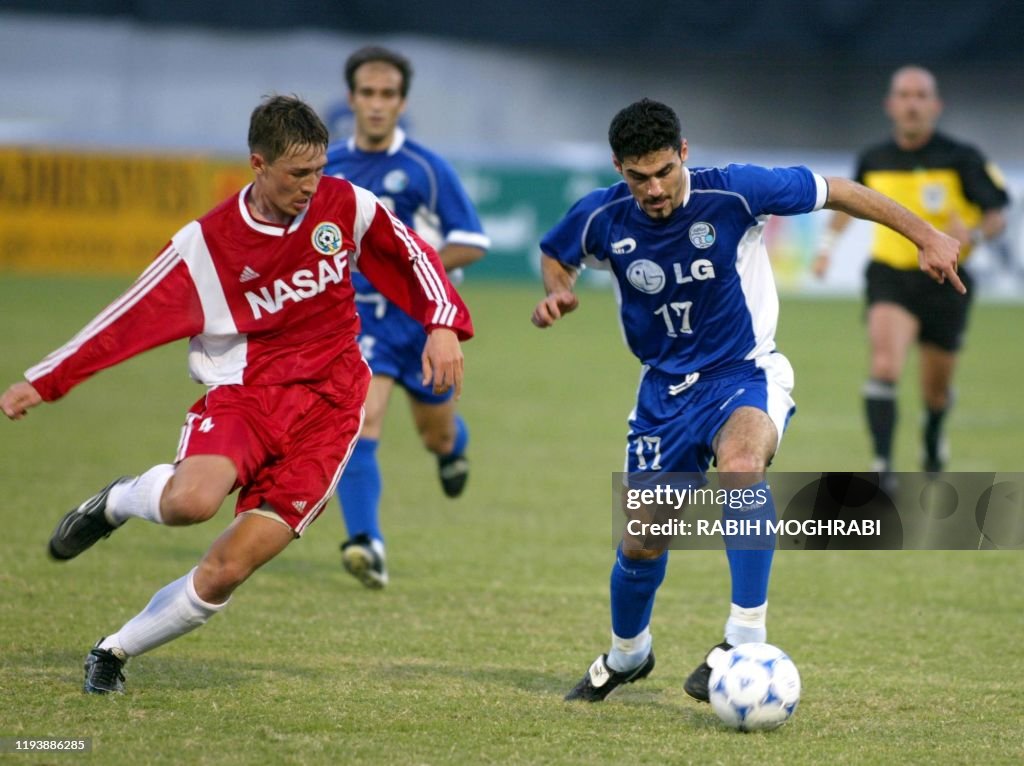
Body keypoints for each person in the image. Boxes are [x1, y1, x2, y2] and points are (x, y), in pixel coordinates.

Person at [0, 95, 473, 694]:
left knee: (229, 569)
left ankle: (113, 651)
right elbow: (125, 321)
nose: (312, 185)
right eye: (297, 174)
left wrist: (441, 322)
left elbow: (411, 255)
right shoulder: (206, 247)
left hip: (329, 407)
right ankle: (117, 502)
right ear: (258, 164)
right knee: (189, 504)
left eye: (319, 170)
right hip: (246, 395)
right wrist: (45, 381)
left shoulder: (342, 203)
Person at [531, 98, 961, 703]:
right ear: (618, 168)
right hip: (662, 391)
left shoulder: (735, 193)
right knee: (644, 540)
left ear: (684, 154)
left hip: (744, 371)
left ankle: (743, 640)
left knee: (741, 465)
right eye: (638, 177)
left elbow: (836, 190)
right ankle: (629, 655)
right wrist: (559, 292)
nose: (653, 189)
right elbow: (556, 253)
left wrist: (926, 234)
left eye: (663, 171)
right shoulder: (601, 215)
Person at [324, 46, 489, 589]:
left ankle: (453, 450)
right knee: (361, 423)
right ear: (351, 99)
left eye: (387, 95)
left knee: (435, 433)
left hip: (420, 325)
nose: (376, 105)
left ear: (401, 102)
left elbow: (473, 240)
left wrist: (413, 265)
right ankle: (366, 542)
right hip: (360, 321)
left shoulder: (425, 168)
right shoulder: (329, 169)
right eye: (367, 94)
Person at [813, 66, 1009, 478]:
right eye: (904, 95)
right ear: (891, 105)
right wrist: (827, 249)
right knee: (884, 367)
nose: (912, 103)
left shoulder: (962, 158)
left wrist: (971, 231)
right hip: (891, 277)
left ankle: (934, 432)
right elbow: (850, 204)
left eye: (921, 95)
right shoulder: (874, 158)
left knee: (934, 393)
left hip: (946, 282)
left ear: (935, 106)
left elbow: (996, 215)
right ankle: (883, 467)